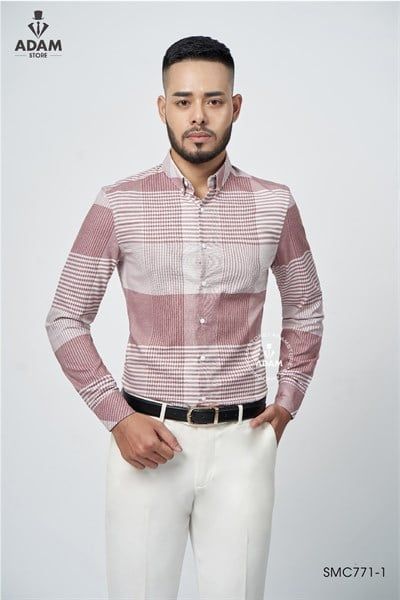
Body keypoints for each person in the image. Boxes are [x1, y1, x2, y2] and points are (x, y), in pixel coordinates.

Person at [45, 35, 324, 600]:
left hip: (244, 443)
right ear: (163, 107)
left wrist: (288, 400)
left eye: (214, 100)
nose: (199, 116)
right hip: (145, 443)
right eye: (183, 100)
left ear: (235, 106)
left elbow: (306, 307)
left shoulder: (275, 203)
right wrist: (117, 419)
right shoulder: (117, 203)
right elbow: (65, 318)